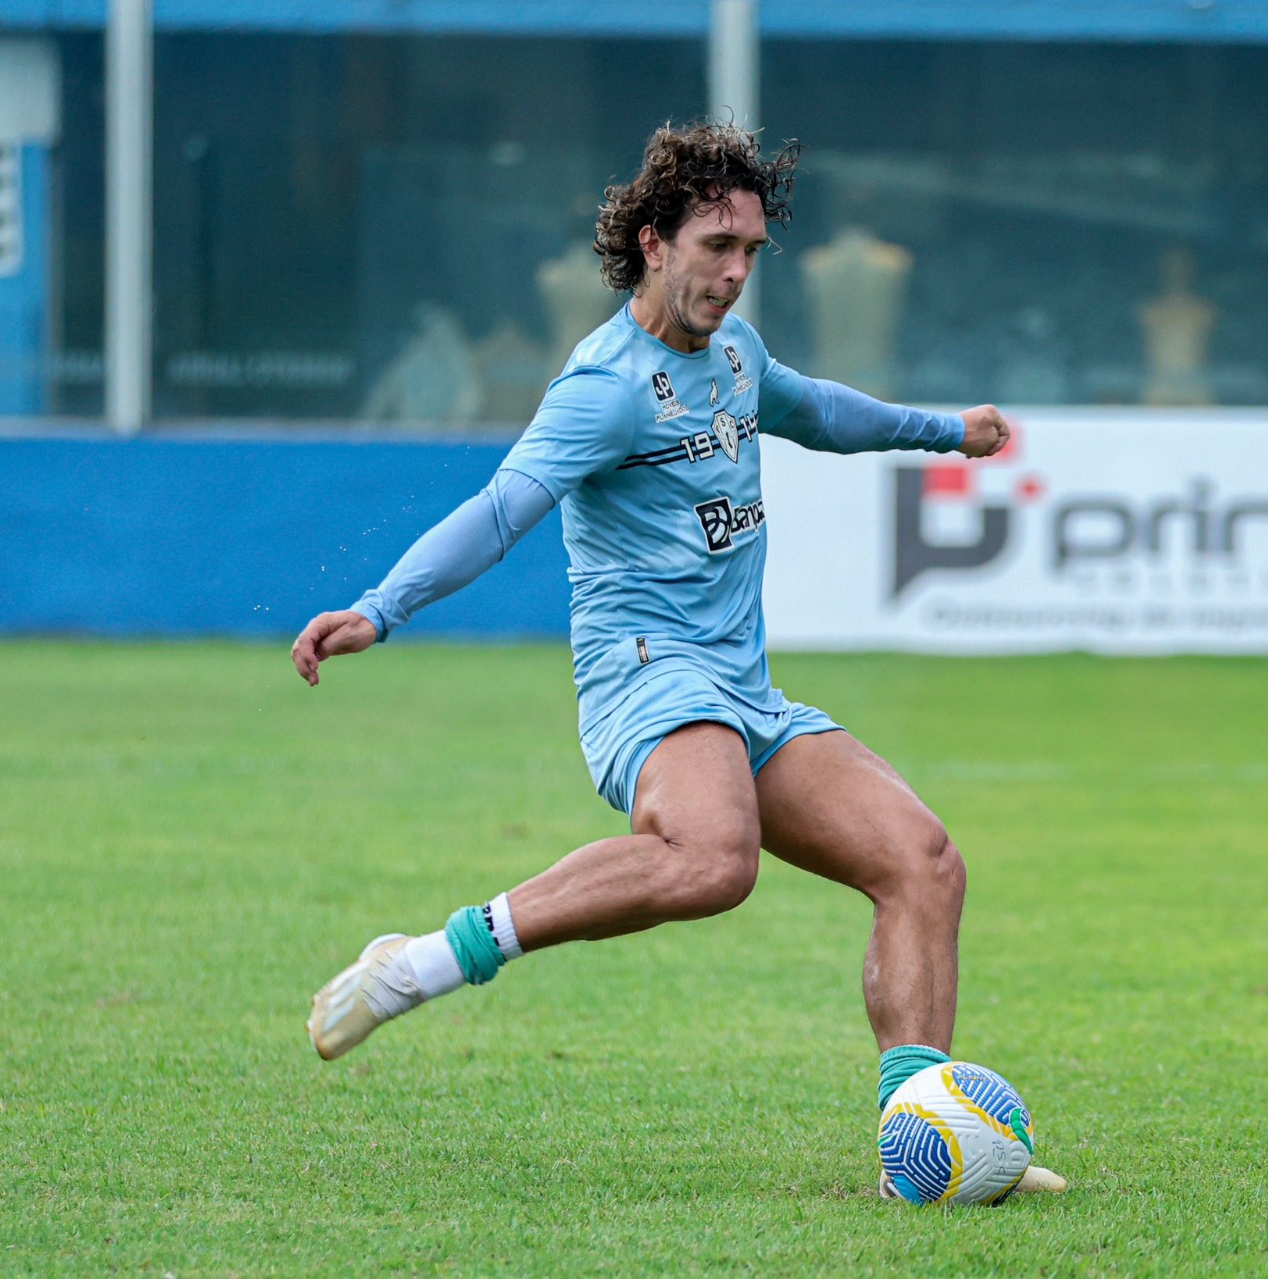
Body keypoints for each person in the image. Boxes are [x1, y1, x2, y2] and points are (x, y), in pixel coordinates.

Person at [292, 122, 1064, 1197]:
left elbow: (819, 413)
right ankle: (422, 962)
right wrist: (383, 606)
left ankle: (923, 1136)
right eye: (715, 246)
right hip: (644, 672)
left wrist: (942, 429)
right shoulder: (604, 385)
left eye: (749, 249)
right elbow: (502, 508)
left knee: (922, 863)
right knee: (713, 860)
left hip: (738, 686)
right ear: (652, 243)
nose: (736, 271)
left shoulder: (736, 354)